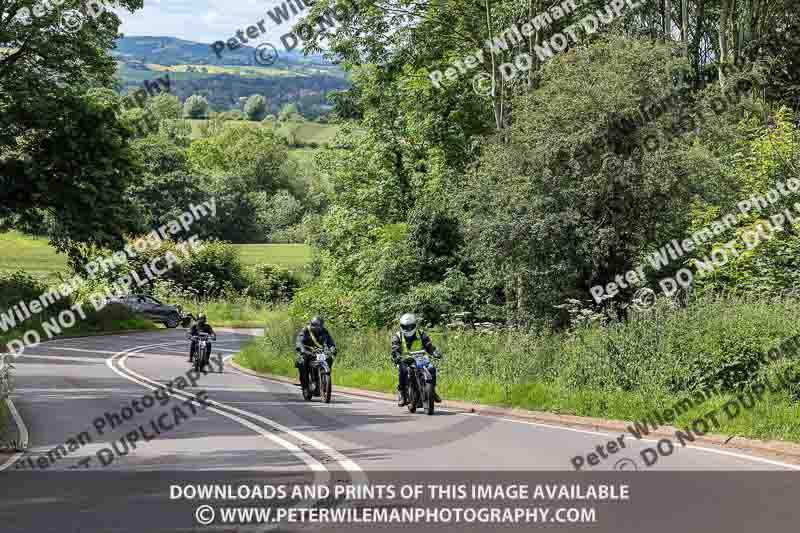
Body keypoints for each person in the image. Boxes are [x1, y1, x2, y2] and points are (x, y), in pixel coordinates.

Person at [391, 313, 441, 407]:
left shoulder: (421, 333)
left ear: (414, 325)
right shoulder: (397, 336)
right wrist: (397, 356)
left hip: (420, 359)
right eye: (406, 327)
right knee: (403, 370)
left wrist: (435, 352)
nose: (408, 329)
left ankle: (432, 391)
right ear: (401, 326)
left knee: (432, 368)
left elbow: (429, 346)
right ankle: (403, 394)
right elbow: (395, 348)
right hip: (405, 359)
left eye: (410, 327)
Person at [295, 316, 336, 391]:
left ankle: (324, 377)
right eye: (316, 326)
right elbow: (299, 341)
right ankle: (305, 386)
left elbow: (330, 341)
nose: (318, 328)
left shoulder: (324, 331)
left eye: (320, 326)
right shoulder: (305, 330)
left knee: (329, 358)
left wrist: (332, 348)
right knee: (302, 362)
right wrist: (302, 349)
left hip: (319, 351)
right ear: (312, 325)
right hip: (306, 351)